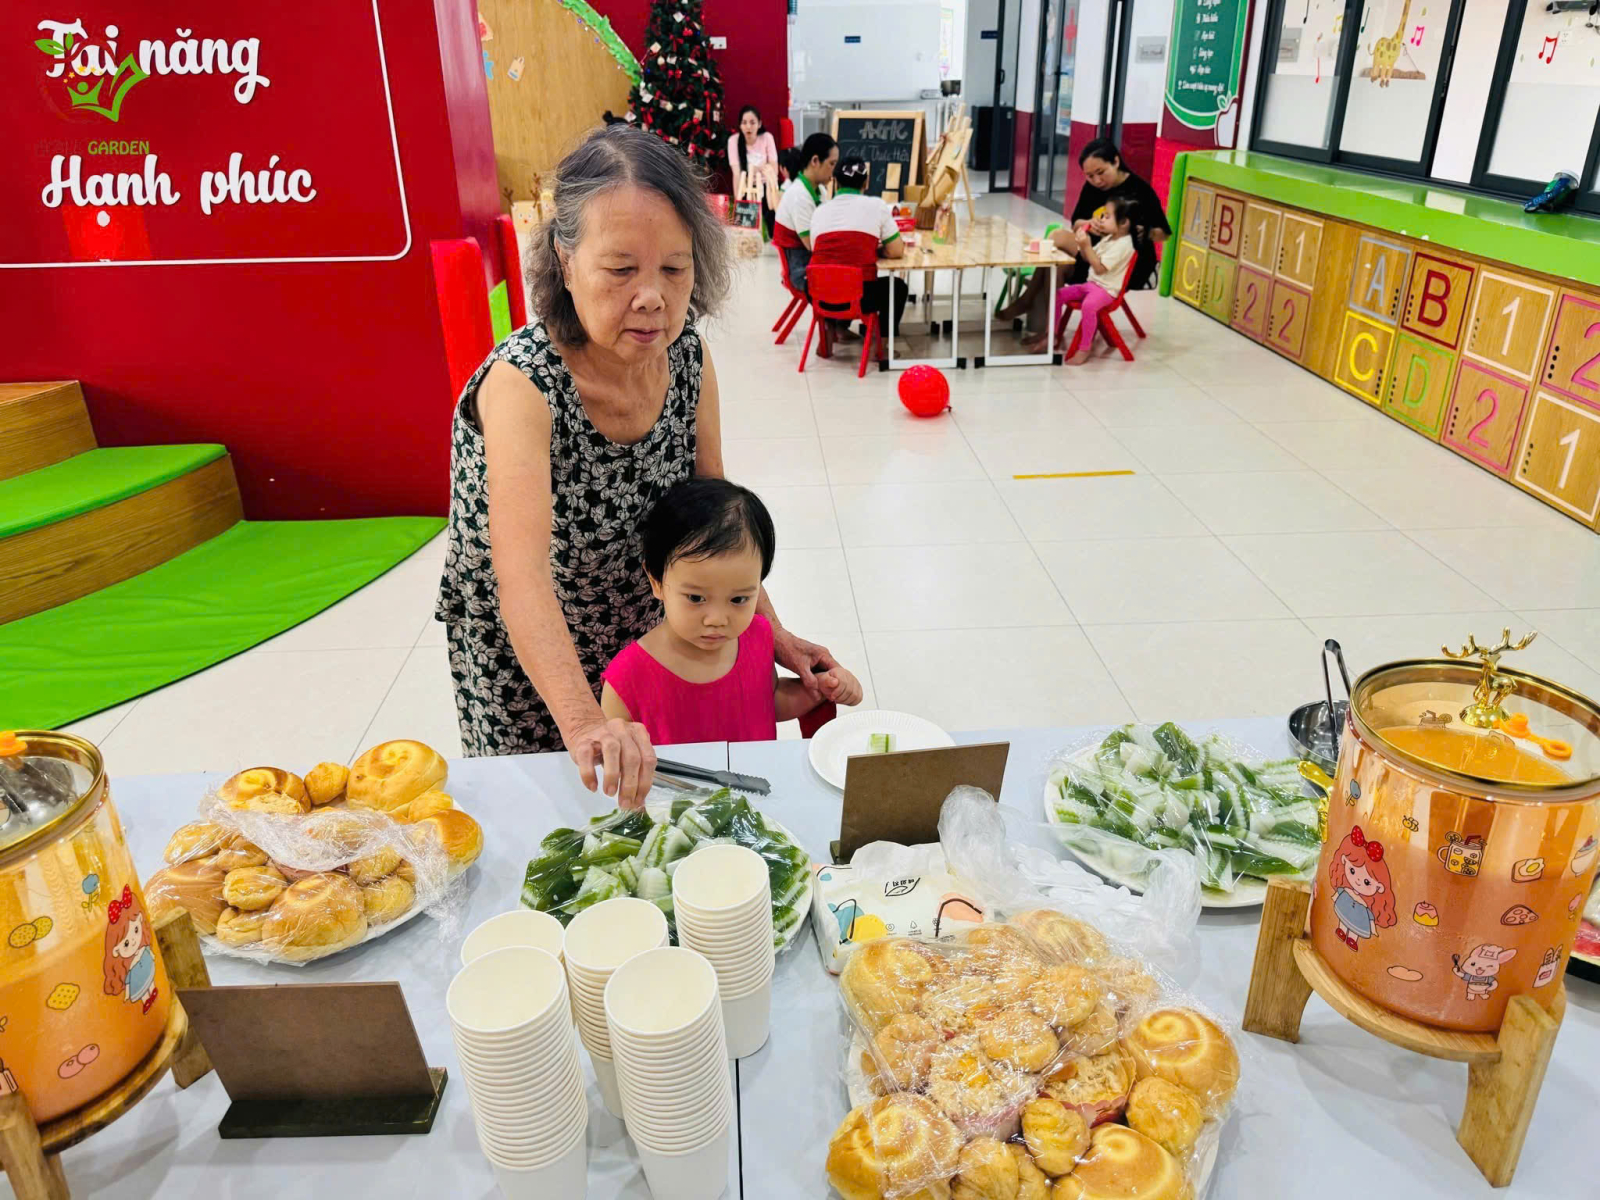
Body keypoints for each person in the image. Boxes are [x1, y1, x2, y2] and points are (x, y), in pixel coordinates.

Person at [437, 125, 844, 808]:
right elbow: (522, 578)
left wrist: (776, 638)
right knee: (553, 816)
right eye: (621, 270)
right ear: (566, 261)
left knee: (654, 813)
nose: (652, 296)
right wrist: (584, 722)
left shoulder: (686, 357)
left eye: (674, 270)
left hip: (643, 624)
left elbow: (721, 528)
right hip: (532, 654)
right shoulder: (523, 385)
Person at [600, 477, 862, 744]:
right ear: (656, 581)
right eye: (696, 597)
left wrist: (821, 688)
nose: (717, 619)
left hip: (754, 772)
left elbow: (767, 701)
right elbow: (617, 757)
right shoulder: (627, 679)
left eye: (738, 599)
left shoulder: (757, 636)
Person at [998, 138, 1170, 332]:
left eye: (1101, 172)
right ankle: (1049, 333)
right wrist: (1089, 223)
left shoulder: (1140, 190)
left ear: (1115, 161)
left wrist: (1143, 231)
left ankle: (1028, 301)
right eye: (1090, 176)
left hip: (1119, 265)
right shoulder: (1092, 188)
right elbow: (1076, 223)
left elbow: (1163, 233)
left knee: (1056, 243)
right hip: (1094, 253)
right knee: (1056, 262)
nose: (1096, 181)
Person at [809, 156, 909, 339]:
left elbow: (818, 249)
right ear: (866, 182)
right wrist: (875, 250)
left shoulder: (819, 211)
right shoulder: (877, 206)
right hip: (859, 296)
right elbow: (896, 251)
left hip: (820, 295)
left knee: (838, 273)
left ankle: (832, 327)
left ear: (835, 182)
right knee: (898, 288)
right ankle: (881, 342)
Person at [1038, 194, 1142, 361]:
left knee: (1089, 306)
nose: (1102, 219)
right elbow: (1088, 259)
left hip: (1106, 290)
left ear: (1123, 223)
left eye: (1107, 217)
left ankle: (1084, 348)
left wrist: (1087, 246)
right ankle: (1052, 335)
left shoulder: (1124, 245)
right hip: (1092, 284)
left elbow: (1099, 268)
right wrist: (1082, 245)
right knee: (1058, 295)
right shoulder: (1109, 238)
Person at [772, 132, 838, 296]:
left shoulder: (819, 190)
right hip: (801, 270)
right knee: (853, 281)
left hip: (811, 261)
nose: (834, 170)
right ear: (815, 161)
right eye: (831, 164)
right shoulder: (799, 196)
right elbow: (814, 246)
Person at [727, 106, 781, 238]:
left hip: (766, 187)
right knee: (746, 234)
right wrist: (739, 200)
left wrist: (769, 184)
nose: (748, 127)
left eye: (752, 122)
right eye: (744, 123)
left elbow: (774, 168)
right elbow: (737, 174)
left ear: (759, 124)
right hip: (746, 187)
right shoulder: (733, 141)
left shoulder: (767, 138)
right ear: (740, 125)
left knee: (772, 226)